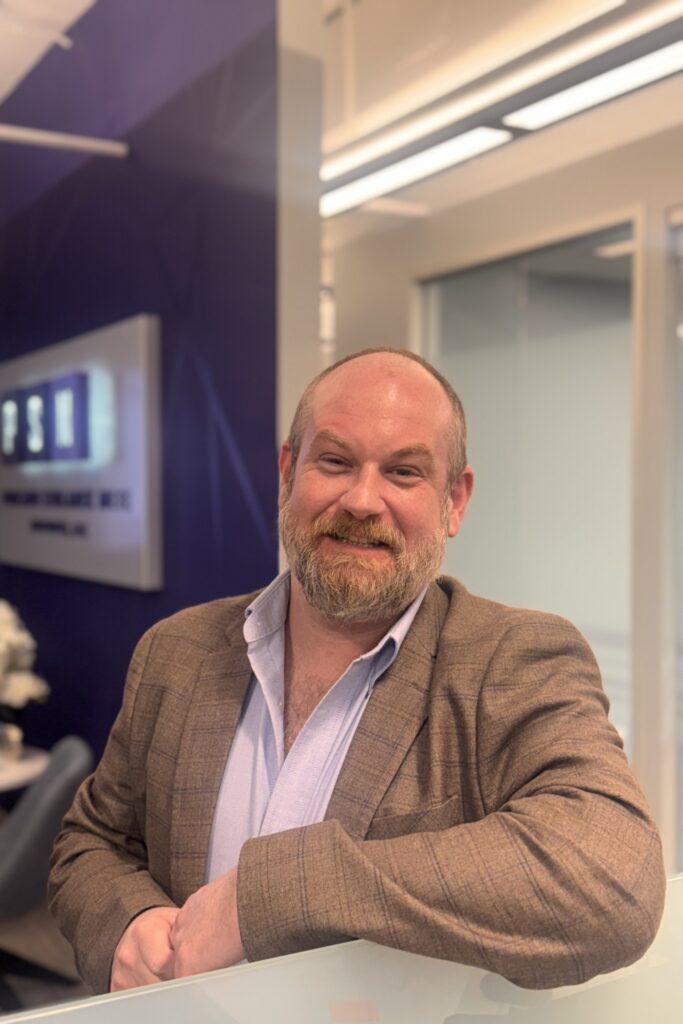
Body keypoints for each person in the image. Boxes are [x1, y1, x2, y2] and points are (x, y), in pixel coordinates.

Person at [49, 349, 665, 995]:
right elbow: (92, 841)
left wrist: (277, 890)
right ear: (287, 474)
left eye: (403, 472)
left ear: (454, 501)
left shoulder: (513, 660)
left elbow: (610, 880)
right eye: (335, 462)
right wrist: (126, 924)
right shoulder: (176, 651)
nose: (362, 500)